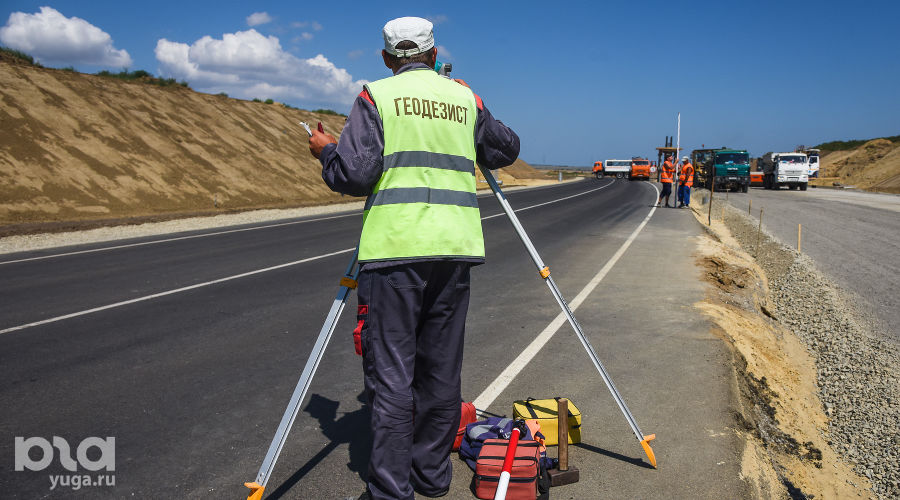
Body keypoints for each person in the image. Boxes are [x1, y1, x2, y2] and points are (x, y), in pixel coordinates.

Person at [308, 16, 520, 500]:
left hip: (396, 251)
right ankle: (431, 477)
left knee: (392, 375)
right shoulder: (464, 97)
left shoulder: (375, 96)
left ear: (387, 58)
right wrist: (477, 102)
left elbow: (355, 175)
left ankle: (389, 490)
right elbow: (506, 149)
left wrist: (324, 151)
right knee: (441, 372)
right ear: (433, 52)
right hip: (455, 250)